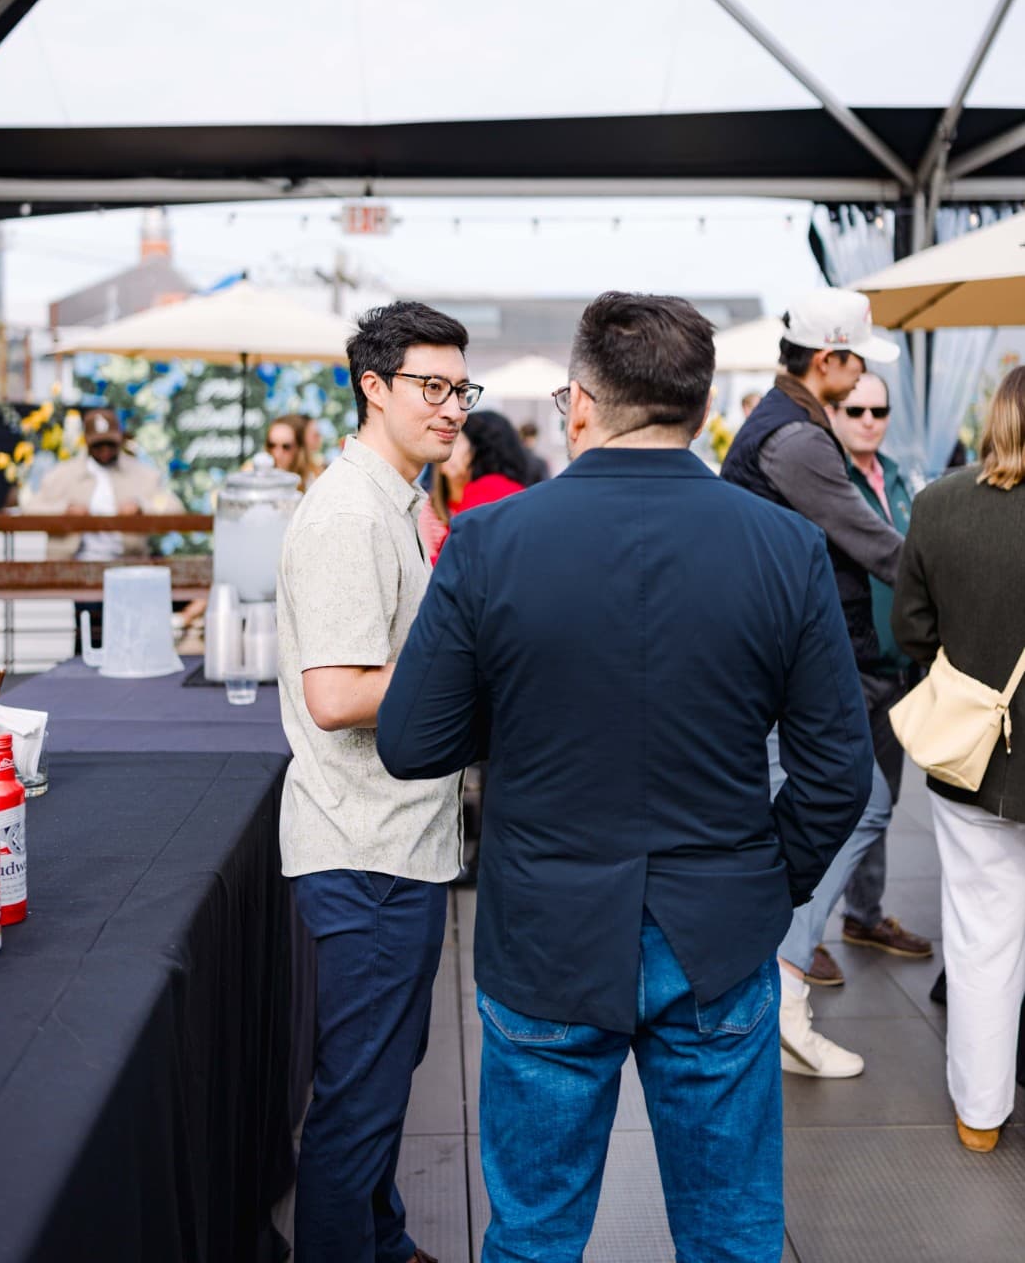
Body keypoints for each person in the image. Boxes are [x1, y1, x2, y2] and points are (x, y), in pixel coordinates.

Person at [379, 291, 871, 1263]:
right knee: (732, 1232)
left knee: (532, 1234)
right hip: (718, 934)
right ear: (696, 409)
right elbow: (835, 768)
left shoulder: (492, 540)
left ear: (579, 405)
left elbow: (411, 742)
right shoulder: (782, 546)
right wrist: (766, 886)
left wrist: (511, 695)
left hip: (543, 934)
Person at [275, 300, 480, 1263]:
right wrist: (469, 669)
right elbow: (334, 694)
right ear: (374, 388)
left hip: (394, 841)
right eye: (429, 388)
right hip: (361, 852)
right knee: (358, 1100)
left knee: (386, 1079)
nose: (450, 409)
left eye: (458, 389)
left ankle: (383, 1243)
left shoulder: (396, 501)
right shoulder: (350, 512)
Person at [720, 288, 926, 1078]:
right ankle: (780, 977)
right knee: (858, 804)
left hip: (784, 651)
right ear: (828, 359)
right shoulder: (797, 442)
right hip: (790, 657)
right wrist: (955, 580)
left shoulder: (788, 426)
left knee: (844, 808)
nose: (864, 389)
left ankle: (776, 977)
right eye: (858, 364)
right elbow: (873, 543)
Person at [892, 365, 1025, 1154]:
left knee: (980, 934)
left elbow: (910, 628)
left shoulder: (937, 504)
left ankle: (980, 1113)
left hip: (971, 757)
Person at [815, 372, 930, 984]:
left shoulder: (904, 479)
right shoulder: (827, 479)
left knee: (883, 799)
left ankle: (864, 913)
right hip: (843, 667)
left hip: (898, 668)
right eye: (854, 407)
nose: (868, 419)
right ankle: (804, 928)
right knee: (838, 799)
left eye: (879, 408)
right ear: (831, 411)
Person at [27, 407, 183, 649]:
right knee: (90, 634)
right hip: (82, 568)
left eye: (110, 444)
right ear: (87, 444)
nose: (105, 451)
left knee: (129, 636)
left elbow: (173, 507)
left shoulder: (141, 475)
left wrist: (141, 506)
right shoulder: (63, 475)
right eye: (98, 445)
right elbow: (31, 509)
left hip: (128, 564)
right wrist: (65, 509)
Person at [439, 409, 529, 519]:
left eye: (457, 442)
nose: (449, 449)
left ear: (477, 448)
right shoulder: (519, 493)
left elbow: (459, 534)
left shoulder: (481, 494)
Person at [263, 413, 312, 488]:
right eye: (271, 445)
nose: (277, 454)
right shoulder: (254, 475)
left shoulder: (311, 481)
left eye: (286, 447)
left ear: (299, 449)